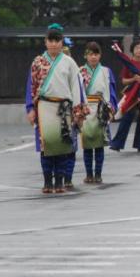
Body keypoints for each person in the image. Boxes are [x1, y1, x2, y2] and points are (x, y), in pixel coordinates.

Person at [26, 28, 87, 194]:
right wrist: (30, 108)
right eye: (50, 41)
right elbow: (30, 87)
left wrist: (78, 111)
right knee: (46, 145)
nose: (53, 44)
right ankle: (47, 180)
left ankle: (60, 180)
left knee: (62, 146)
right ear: (45, 42)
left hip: (63, 108)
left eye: (56, 41)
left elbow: (77, 86)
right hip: (44, 107)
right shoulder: (38, 62)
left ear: (62, 43)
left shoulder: (69, 62)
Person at [79, 41, 116, 183]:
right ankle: (89, 174)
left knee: (99, 143)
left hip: (101, 108)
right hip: (87, 108)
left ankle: (98, 173)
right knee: (87, 143)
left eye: (96, 54)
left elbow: (111, 91)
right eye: (90, 54)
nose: (93, 57)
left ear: (100, 55)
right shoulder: (80, 71)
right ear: (86, 56)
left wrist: (111, 107)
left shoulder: (106, 71)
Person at [109, 40, 140, 152]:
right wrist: (134, 79)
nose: (139, 50)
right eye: (137, 48)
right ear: (132, 50)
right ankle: (117, 144)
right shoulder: (129, 63)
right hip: (132, 94)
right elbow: (123, 81)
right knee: (126, 119)